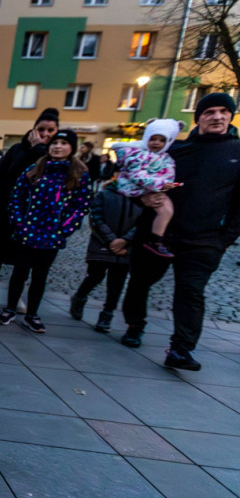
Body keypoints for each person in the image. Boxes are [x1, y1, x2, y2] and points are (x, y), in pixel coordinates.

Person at [121, 92, 240, 371]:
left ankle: (181, 349)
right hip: (159, 234)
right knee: (140, 281)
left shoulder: (237, 152)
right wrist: (142, 199)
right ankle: (135, 325)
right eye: (210, 112)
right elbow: (133, 176)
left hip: (205, 239)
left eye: (224, 111)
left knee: (191, 291)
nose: (218, 116)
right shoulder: (174, 149)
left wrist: (225, 239)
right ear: (198, 117)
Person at [0, 130, 90, 333]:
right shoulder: (35, 169)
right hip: (26, 232)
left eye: (64, 143)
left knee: (40, 275)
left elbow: (80, 206)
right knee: (19, 272)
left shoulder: (78, 174)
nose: (58, 146)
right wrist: (19, 222)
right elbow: (16, 197)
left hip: (52, 236)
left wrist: (63, 230)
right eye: (55, 142)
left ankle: (32, 314)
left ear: (71, 147)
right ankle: (10, 308)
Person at [0, 108, 59, 307]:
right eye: (41, 129)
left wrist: (39, 149)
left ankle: (16, 295)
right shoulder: (17, 150)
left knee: (24, 256)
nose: (45, 134)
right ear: (33, 129)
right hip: (5, 210)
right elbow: (2, 176)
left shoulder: (54, 154)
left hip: (34, 217)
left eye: (51, 130)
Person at [69, 173, 142, 333]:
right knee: (95, 275)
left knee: (116, 283)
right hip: (101, 244)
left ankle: (106, 315)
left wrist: (126, 240)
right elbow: (95, 217)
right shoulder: (105, 194)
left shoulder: (142, 197)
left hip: (126, 247)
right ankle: (79, 297)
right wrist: (111, 240)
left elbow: (142, 222)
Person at [114, 119, 181, 258]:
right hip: (133, 186)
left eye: (162, 140)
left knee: (167, 209)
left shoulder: (166, 157)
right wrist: (160, 184)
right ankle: (154, 240)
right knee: (164, 209)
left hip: (152, 187)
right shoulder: (137, 154)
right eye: (153, 139)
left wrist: (166, 184)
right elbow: (136, 174)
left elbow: (169, 173)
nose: (156, 143)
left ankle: (156, 239)